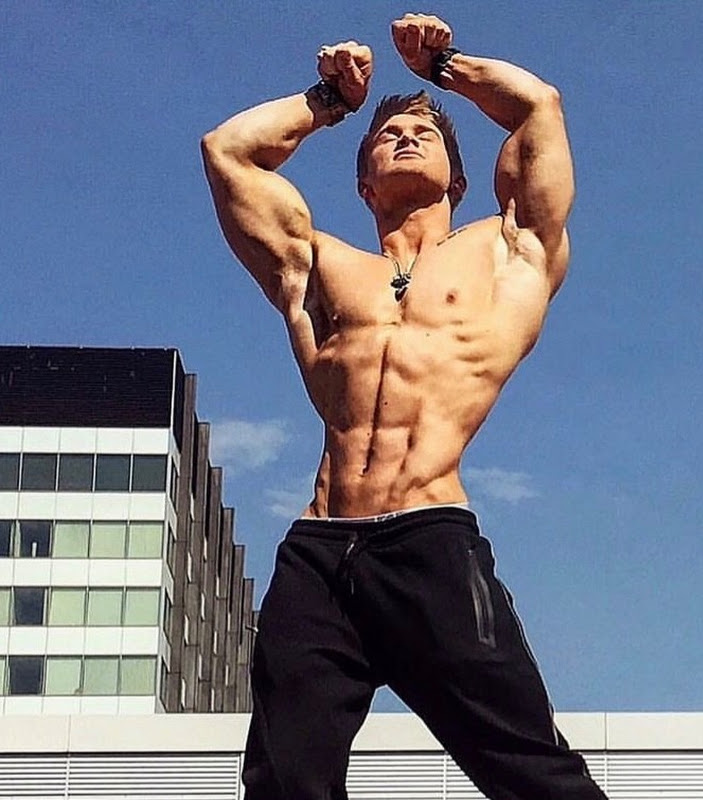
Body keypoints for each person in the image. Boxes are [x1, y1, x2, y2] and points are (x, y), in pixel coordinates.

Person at [202, 12, 607, 800]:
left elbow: (538, 107)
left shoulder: (510, 248)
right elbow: (227, 151)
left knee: (534, 773)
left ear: (460, 180)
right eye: (388, 136)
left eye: (424, 133)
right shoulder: (317, 266)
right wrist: (328, 101)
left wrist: (443, 67)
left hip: (430, 542)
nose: (406, 136)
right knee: (284, 782)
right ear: (363, 183)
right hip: (319, 553)